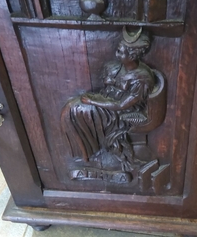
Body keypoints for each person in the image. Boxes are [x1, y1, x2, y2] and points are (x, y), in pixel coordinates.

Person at [61, 27, 155, 171]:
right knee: (71, 107)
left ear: (133, 55)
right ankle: (85, 153)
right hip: (107, 101)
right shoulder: (117, 67)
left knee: (79, 110)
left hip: (120, 111)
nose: (116, 55)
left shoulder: (142, 78)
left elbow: (123, 104)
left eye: (120, 52)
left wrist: (93, 101)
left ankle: (95, 152)